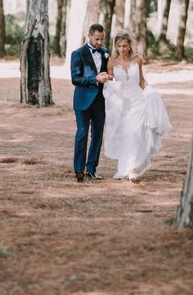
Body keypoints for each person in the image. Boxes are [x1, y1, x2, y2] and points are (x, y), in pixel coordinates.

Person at [103, 32, 172, 182]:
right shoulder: (111, 62)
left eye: (125, 46)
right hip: (122, 103)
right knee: (126, 134)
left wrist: (150, 91)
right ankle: (127, 167)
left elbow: (141, 80)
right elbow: (111, 83)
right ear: (116, 46)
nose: (122, 49)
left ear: (129, 46)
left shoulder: (138, 60)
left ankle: (132, 169)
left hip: (138, 101)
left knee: (136, 134)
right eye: (119, 46)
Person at [70, 24, 113, 182]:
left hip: (100, 101)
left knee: (97, 135)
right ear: (89, 36)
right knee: (82, 133)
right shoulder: (77, 54)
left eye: (102, 39)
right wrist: (94, 79)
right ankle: (79, 169)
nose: (99, 43)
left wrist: (108, 77)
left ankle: (91, 169)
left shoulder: (105, 53)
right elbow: (75, 79)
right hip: (82, 101)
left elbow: (110, 71)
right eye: (97, 39)